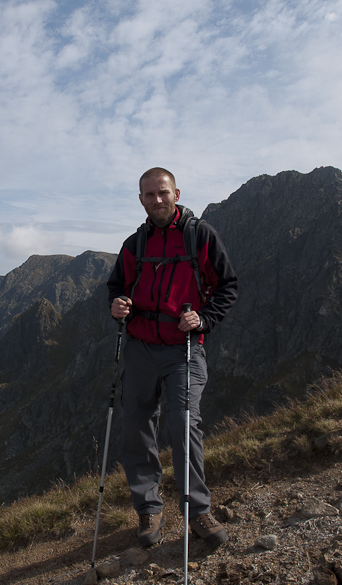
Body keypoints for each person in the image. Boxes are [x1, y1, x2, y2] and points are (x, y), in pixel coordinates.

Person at [107, 167, 238, 548]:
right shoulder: (135, 244)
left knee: (183, 424)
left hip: (184, 348)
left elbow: (226, 285)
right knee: (136, 426)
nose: (157, 200)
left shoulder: (200, 236)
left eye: (163, 193)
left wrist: (204, 319)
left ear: (176, 193)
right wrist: (117, 304)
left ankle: (197, 512)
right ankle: (149, 509)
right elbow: (117, 286)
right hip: (141, 346)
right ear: (141, 200)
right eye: (150, 195)